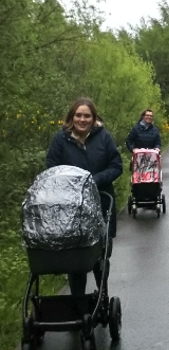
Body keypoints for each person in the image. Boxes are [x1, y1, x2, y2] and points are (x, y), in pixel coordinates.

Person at [46, 97, 123, 296]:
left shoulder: (103, 137)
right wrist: (71, 183)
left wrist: (93, 180)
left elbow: (116, 166)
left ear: (93, 118)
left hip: (101, 201)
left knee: (101, 253)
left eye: (86, 116)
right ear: (71, 117)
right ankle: (77, 300)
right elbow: (51, 168)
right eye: (78, 115)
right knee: (76, 255)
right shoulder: (61, 139)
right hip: (71, 206)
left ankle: (102, 292)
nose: (82, 119)